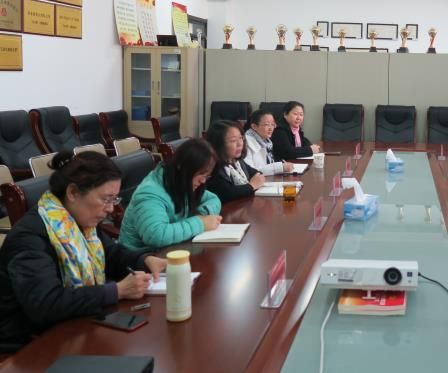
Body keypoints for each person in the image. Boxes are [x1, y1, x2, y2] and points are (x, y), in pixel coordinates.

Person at [0, 151, 167, 353]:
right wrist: (117, 291)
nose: (110, 209)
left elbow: (110, 253)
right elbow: (45, 304)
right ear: (73, 192)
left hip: (73, 325)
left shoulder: (78, 220)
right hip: (28, 345)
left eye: (114, 200)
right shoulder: (29, 237)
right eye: (106, 199)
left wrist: (144, 260)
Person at [119, 138, 223, 250]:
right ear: (182, 167)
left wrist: (202, 214)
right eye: (201, 174)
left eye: (207, 176)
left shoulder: (182, 181)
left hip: (172, 249)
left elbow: (213, 199)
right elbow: (156, 236)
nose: (203, 181)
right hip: (140, 256)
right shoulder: (150, 193)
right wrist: (200, 223)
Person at [205, 120, 267, 203]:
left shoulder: (236, 161)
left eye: (240, 138)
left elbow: (257, 173)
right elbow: (227, 194)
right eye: (233, 140)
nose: (239, 144)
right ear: (218, 144)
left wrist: (255, 182)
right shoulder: (213, 166)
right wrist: (251, 186)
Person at [243, 110, 294, 176]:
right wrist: (280, 167)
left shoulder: (267, 142)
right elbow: (251, 171)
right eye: (266, 125)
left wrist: (282, 165)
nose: (271, 128)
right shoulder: (246, 143)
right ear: (254, 126)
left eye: (272, 125)